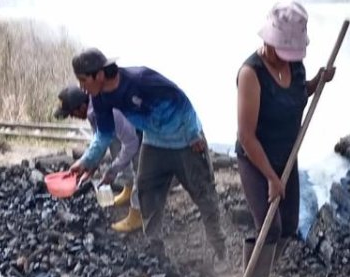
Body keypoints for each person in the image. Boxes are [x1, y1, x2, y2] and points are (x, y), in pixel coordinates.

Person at [68, 48, 227, 260]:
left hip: (186, 140)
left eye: (83, 80)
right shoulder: (99, 98)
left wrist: (193, 134)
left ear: (99, 74)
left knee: (204, 194)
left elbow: (182, 102)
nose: (81, 87)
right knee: (146, 192)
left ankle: (220, 252)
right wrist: (86, 160)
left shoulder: (140, 79)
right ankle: (156, 250)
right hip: (154, 142)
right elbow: (103, 135)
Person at [235, 1, 334, 277]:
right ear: (269, 40)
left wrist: (316, 83)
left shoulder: (294, 66)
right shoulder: (251, 74)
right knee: (270, 225)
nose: (287, 59)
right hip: (257, 158)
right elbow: (247, 136)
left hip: (286, 156)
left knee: (289, 225)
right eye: (283, 51)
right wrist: (270, 177)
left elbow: (293, 95)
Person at [55, 85, 144, 233]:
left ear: (81, 106)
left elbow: (131, 143)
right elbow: (101, 139)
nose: (72, 117)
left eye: (72, 113)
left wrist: (111, 170)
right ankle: (128, 188)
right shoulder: (91, 110)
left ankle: (137, 213)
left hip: (141, 130)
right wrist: (91, 165)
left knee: (140, 168)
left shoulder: (101, 108)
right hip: (125, 131)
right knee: (115, 144)